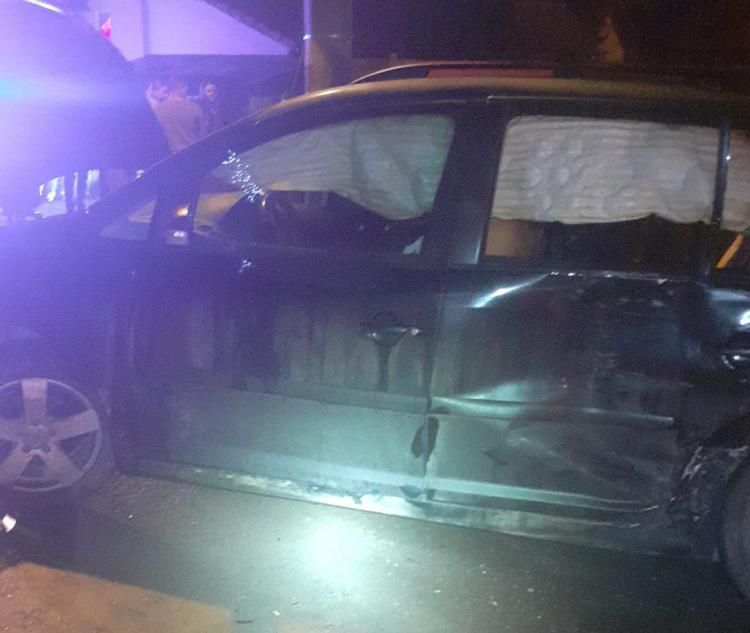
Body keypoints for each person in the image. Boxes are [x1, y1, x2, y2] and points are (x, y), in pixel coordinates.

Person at [154, 77, 204, 154]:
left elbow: (157, 137)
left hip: (171, 156)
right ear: (183, 88)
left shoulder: (158, 110)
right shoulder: (194, 107)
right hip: (193, 152)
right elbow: (202, 135)